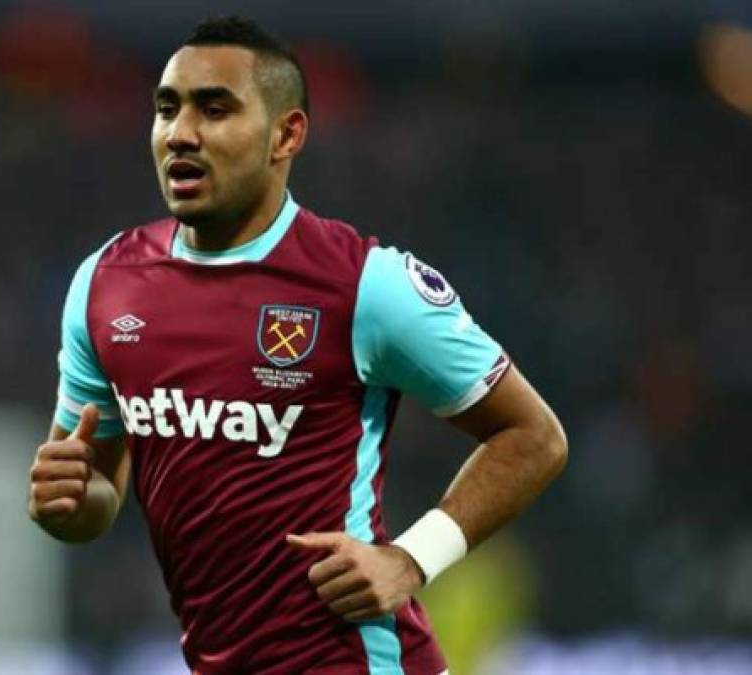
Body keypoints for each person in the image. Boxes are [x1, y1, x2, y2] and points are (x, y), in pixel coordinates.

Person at [28, 16, 567, 675]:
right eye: (167, 109)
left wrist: (412, 558)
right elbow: (96, 495)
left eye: (215, 109)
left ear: (287, 134)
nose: (181, 133)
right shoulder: (105, 285)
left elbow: (533, 434)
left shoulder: (366, 284)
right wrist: (71, 501)